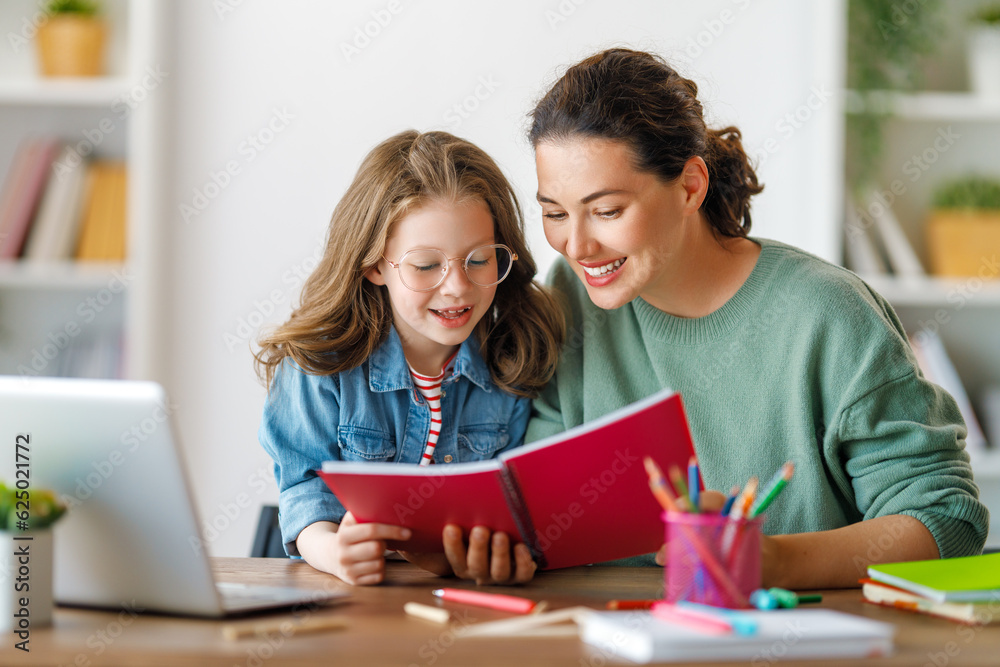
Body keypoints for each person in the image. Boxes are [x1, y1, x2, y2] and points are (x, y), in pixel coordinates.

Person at [524, 48, 989, 588]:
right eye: (554, 213)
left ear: (690, 187)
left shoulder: (827, 315)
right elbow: (540, 501)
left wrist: (772, 561)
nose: (576, 245)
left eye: (607, 211)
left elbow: (946, 520)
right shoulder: (566, 299)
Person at [256, 130, 564, 585]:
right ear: (375, 264)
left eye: (479, 260)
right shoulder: (319, 363)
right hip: (352, 598)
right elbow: (305, 492)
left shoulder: (514, 359)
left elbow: (518, 511)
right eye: (425, 266)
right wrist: (335, 551)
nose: (457, 286)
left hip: (458, 598)